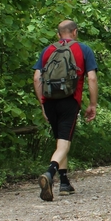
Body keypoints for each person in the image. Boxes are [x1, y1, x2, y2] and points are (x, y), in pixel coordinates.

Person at [33, 20, 98, 201]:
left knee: (60, 141)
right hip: (69, 100)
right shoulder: (83, 49)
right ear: (75, 32)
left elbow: (37, 77)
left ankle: (64, 183)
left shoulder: (48, 50)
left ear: (58, 34)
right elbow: (91, 78)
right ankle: (49, 173)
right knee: (64, 143)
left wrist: (42, 103)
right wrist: (92, 104)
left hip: (50, 100)